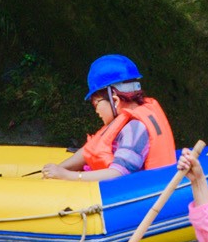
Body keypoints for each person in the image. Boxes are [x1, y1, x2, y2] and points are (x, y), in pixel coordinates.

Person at [43, 54, 176, 182]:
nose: (96, 110)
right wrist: (59, 168)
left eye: (96, 103)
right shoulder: (126, 117)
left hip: (131, 194)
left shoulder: (135, 128)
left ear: (115, 100)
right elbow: (89, 150)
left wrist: (67, 176)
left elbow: (117, 174)